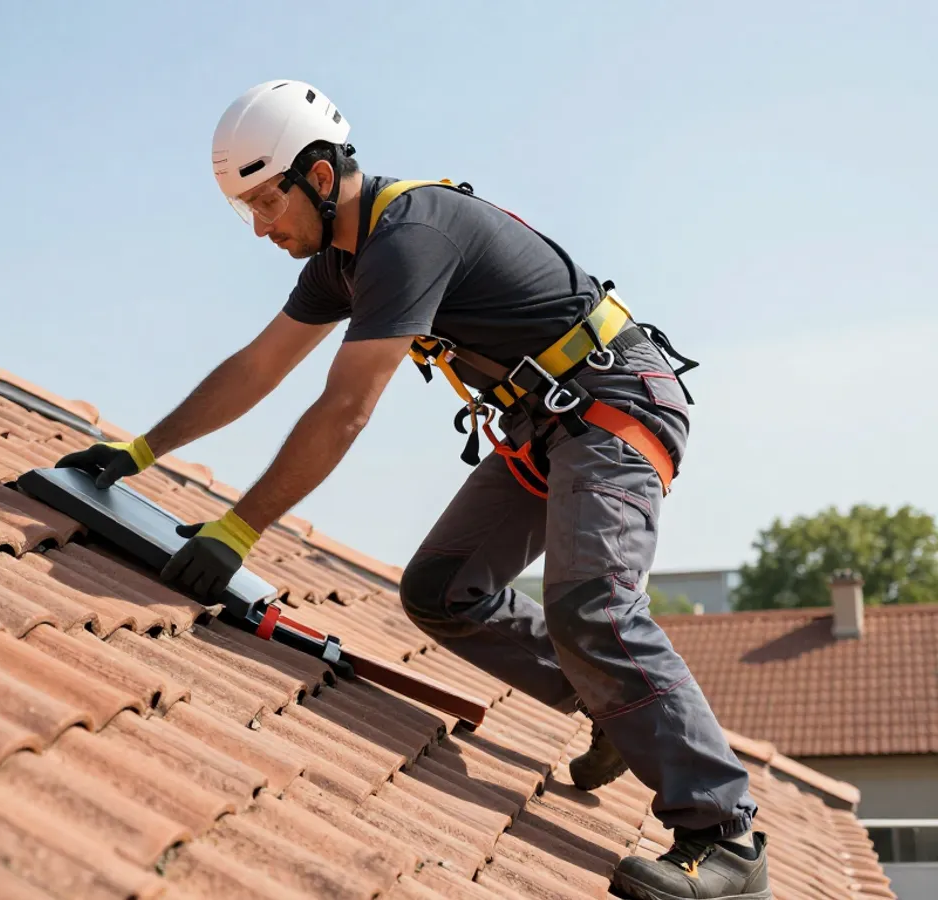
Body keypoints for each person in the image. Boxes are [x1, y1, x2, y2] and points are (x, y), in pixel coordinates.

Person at [56, 79, 770, 900]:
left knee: (594, 605)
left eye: (265, 201)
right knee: (440, 591)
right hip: (547, 420)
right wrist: (141, 450)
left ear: (320, 177)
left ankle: (728, 838)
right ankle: (613, 702)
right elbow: (259, 367)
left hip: (615, 406)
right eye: (243, 210)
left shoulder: (408, 237)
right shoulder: (339, 263)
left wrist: (237, 531)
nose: (259, 227)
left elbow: (345, 408)